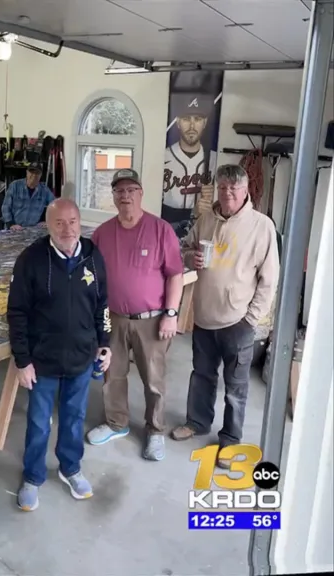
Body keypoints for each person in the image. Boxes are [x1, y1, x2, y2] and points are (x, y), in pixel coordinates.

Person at [170, 164, 280, 467]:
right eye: (222, 188)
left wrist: (251, 320)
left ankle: (230, 441)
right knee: (202, 376)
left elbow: (269, 280)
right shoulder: (206, 219)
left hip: (238, 323)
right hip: (204, 318)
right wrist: (188, 256)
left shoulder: (262, 226)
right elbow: (186, 247)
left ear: (245, 191)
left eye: (234, 188)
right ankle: (197, 422)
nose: (227, 193)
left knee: (236, 388)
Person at [6, 198, 112, 511]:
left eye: (73, 222)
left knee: (74, 418)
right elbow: (17, 312)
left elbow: (102, 304)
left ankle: (71, 469)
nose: (67, 229)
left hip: (81, 358)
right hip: (43, 362)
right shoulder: (31, 259)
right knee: (39, 423)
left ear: (80, 222)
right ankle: (33, 477)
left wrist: (105, 343)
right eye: (59, 223)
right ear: (48, 225)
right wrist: (22, 360)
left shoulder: (93, 257)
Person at [85, 169, 185, 461]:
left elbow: (175, 275)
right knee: (112, 374)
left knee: (153, 380)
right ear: (113, 197)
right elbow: (93, 277)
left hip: (151, 320)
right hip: (112, 318)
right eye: (119, 191)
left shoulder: (160, 229)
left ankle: (155, 431)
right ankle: (116, 423)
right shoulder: (103, 233)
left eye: (131, 190)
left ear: (141, 194)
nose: (125, 196)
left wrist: (171, 313)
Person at [162, 93, 217, 225]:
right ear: (178, 122)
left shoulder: (216, 159)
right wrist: (192, 212)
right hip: (168, 227)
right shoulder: (162, 157)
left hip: (203, 228)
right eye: (186, 119)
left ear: (205, 122)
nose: (192, 126)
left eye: (197, 119)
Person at [1, 165, 56, 230]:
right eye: (31, 172)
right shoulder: (15, 185)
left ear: (40, 175)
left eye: (37, 173)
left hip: (33, 230)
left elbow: (55, 206)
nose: (34, 175)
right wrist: (11, 224)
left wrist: (47, 221)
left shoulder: (45, 190)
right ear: (27, 172)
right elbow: (5, 206)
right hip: (13, 228)